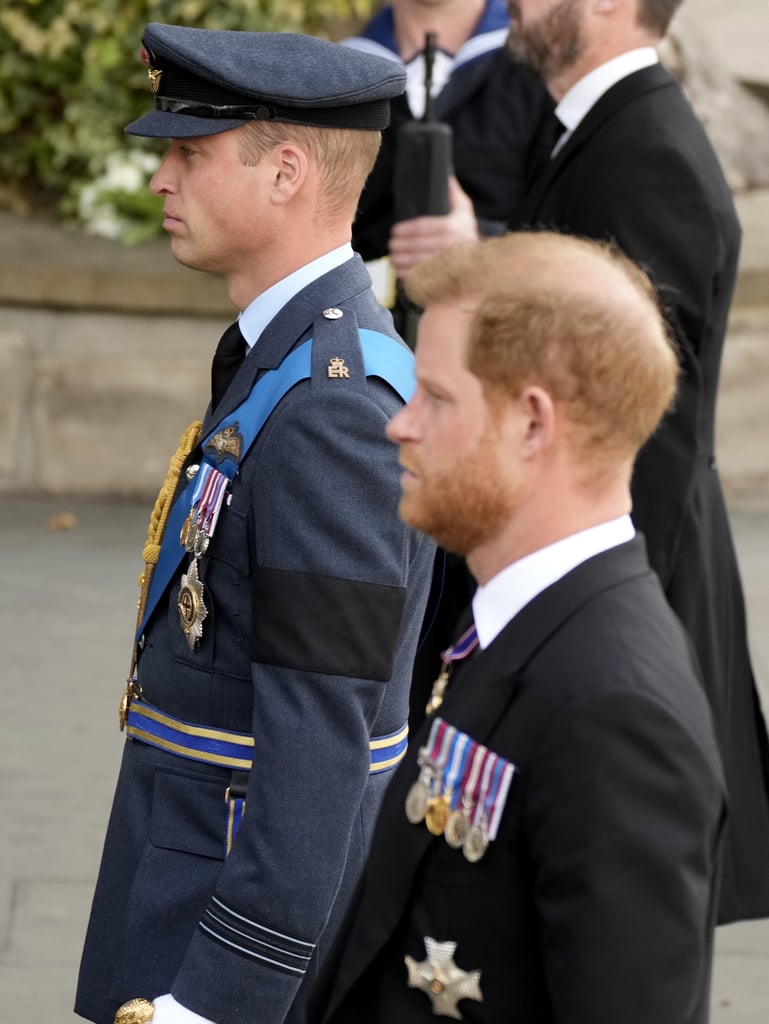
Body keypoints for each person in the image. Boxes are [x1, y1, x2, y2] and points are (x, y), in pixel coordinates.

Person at [74, 24, 435, 1024]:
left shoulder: (330, 407)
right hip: (185, 864)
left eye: (189, 153)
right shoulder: (288, 354)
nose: (161, 178)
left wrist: (216, 1002)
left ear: (284, 174)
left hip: (223, 935)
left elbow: (321, 750)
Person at [322, 231, 727, 1024]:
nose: (397, 426)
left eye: (434, 398)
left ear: (533, 425)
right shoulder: (521, 620)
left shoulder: (614, 709)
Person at [497, 0, 769, 926]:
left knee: (620, 901)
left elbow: (646, 423)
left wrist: (594, 609)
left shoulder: (641, 152)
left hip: (626, 579)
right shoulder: (599, 131)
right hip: (608, 578)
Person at [343, 0, 552, 321]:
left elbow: (582, 226)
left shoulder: (544, 65)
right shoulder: (341, 74)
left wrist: (484, 242)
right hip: (363, 340)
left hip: (505, 332)